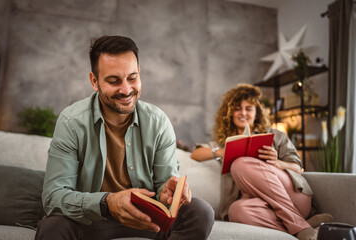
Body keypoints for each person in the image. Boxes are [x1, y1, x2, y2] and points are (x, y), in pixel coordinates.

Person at [35, 35, 214, 240]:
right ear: (94, 81)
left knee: (200, 211)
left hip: (147, 222)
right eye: (113, 81)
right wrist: (107, 202)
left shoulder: (158, 122)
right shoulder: (71, 122)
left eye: (132, 78)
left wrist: (168, 193)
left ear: (139, 74)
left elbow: (165, 185)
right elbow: (53, 197)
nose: (126, 90)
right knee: (53, 226)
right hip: (92, 221)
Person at [191, 84, 332, 240]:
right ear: (230, 113)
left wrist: (278, 163)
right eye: (238, 108)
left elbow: (297, 168)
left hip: (294, 197)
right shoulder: (223, 142)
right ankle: (303, 225)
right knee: (235, 210)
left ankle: (300, 224)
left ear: (256, 112)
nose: (243, 113)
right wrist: (219, 152)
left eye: (248, 108)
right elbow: (196, 153)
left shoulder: (276, 135)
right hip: (261, 206)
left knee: (240, 164)